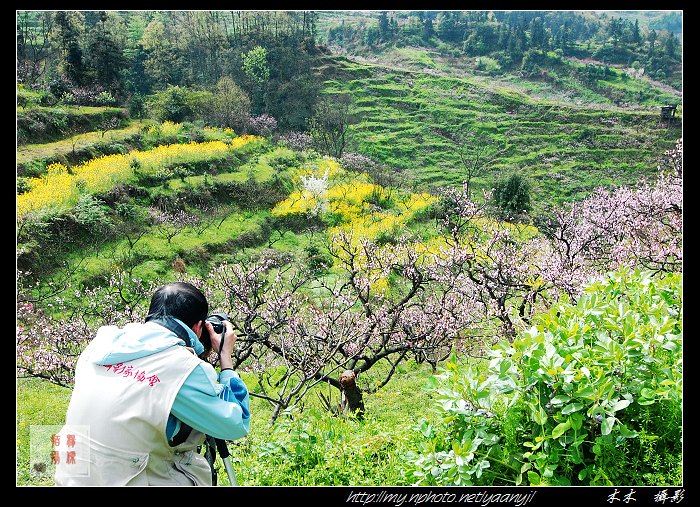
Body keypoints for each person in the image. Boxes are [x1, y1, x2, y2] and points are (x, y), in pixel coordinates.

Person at [54, 281, 250, 486]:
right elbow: (235, 425)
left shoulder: (101, 344)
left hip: (71, 475)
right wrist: (225, 358)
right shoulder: (183, 366)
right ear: (199, 327)